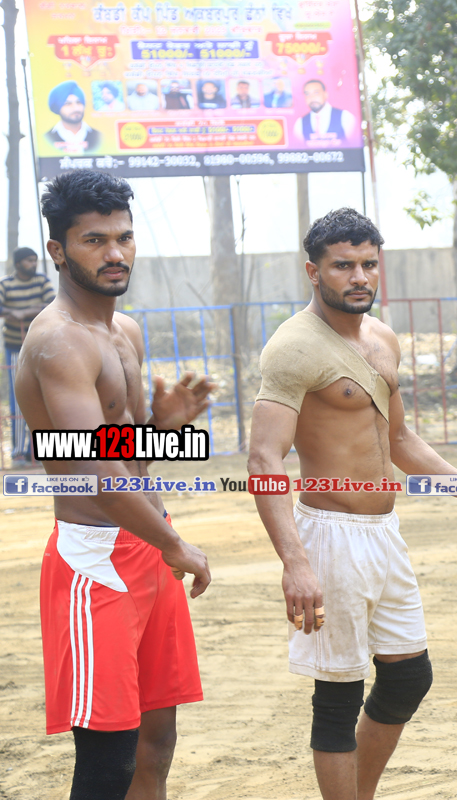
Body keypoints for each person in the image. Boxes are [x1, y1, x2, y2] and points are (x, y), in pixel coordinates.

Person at [248, 207, 457, 800]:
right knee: (338, 697)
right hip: (328, 535)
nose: (359, 276)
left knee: (408, 677)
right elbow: (264, 459)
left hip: (384, 532)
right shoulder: (292, 348)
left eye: (369, 264)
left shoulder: (382, 338)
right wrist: (295, 562)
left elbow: (399, 440)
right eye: (343, 266)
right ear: (313, 271)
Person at [14, 170, 213, 800]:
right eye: (94, 240)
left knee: (156, 747)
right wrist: (175, 545)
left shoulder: (124, 332)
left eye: (123, 237)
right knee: (108, 763)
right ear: (58, 250)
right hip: (95, 561)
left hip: (148, 544)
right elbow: (94, 474)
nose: (115, 252)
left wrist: (162, 428)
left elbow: (122, 453)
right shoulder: (57, 341)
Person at [2, 247, 55, 465]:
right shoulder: (6, 284)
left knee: (44, 398)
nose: (33, 264)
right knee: (18, 400)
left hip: (42, 347)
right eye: (28, 261)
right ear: (18, 264)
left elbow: (53, 304)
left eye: (35, 260)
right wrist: (18, 311)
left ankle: (39, 451)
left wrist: (23, 312)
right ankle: (18, 453)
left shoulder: (42, 281)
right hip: (15, 347)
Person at [292, 80, 355, 145]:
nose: (312, 97)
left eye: (316, 93)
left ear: (325, 94)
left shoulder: (345, 117)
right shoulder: (300, 123)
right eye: (307, 94)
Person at [45, 82, 100, 154]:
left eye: (79, 102)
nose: (75, 108)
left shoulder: (97, 136)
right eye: (68, 104)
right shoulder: (48, 137)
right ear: (58, 108)